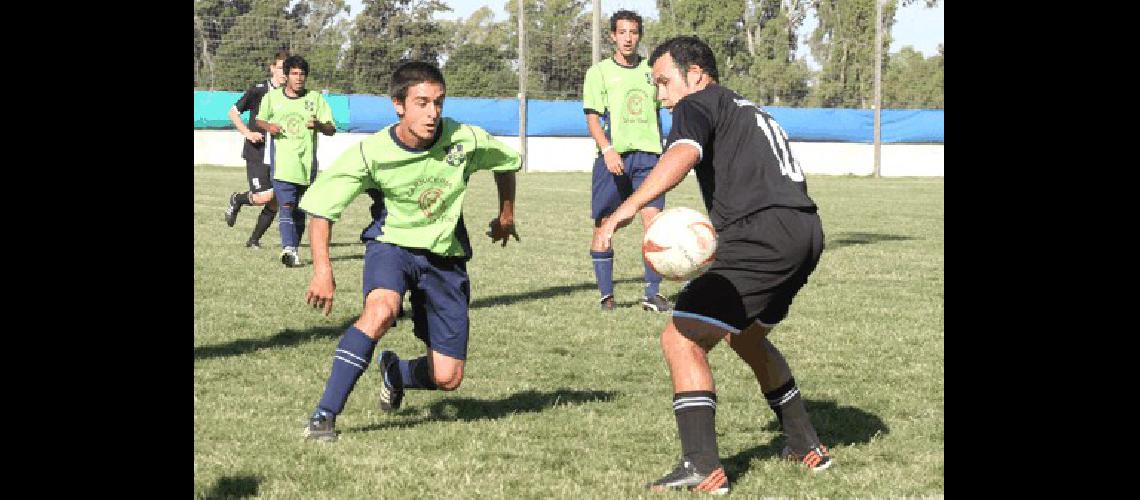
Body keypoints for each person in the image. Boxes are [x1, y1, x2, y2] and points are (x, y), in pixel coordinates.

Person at [595, 36, 832, 494]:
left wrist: (629, 208)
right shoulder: (747, 109)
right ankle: (806, 444)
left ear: (697, 74)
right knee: (747, 338)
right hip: (804, 230)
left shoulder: (697, 102)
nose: (661, 96)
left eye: (664, 82)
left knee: (680, 336)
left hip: (759, 234)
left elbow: (682, 154)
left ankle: (701, 465)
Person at [298, 61, 521, 442]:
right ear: (398, 105)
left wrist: (505, 214)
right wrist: (322, 269)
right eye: (421, 103)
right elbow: (322, 208)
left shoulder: (465, 139)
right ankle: (324, 415)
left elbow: (506, 163)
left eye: (438, 102)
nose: (432, 113)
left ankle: (395, 373)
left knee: (447, 378)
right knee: (380, 310)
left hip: (445, 259)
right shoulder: (371, 153)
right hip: (392, 247)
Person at [582, 9, 670, 313]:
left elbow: (666, 107)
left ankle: (652, 294)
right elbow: (593, 118)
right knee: (605, 225)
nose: (628, 38)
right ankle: (606, 296)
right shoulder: (599, 73)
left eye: (633, 32)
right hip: (614, 159)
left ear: (640, 36)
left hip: (649, 159)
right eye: (622, 32)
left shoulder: (652, 71)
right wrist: (607, 150)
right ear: (613, 36)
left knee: (654, 225)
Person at [254, 54, 337, 267]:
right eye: (294, 73)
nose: (299, 78)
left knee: (301, 210)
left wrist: (318, 125)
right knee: (287, 206)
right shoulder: (272, 98)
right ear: (287, 75)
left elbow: (331, 129)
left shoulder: (316, 99)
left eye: (302, 74)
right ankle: (288, 248)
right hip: (282, 166)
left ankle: (293, 250)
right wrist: (269, 127)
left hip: (307, 166)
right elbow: (259, 119)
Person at [223, 50, 289, 249]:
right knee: (263, 197)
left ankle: (253, 241)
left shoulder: (291, 95)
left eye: (287, 69)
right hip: (257, 151)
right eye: (280, 68)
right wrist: (248, 133)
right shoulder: (259, 90)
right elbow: (233, 113)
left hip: (279, 153)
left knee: (276, 199)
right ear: (272, 69)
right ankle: (237, 199)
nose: (283, 73)